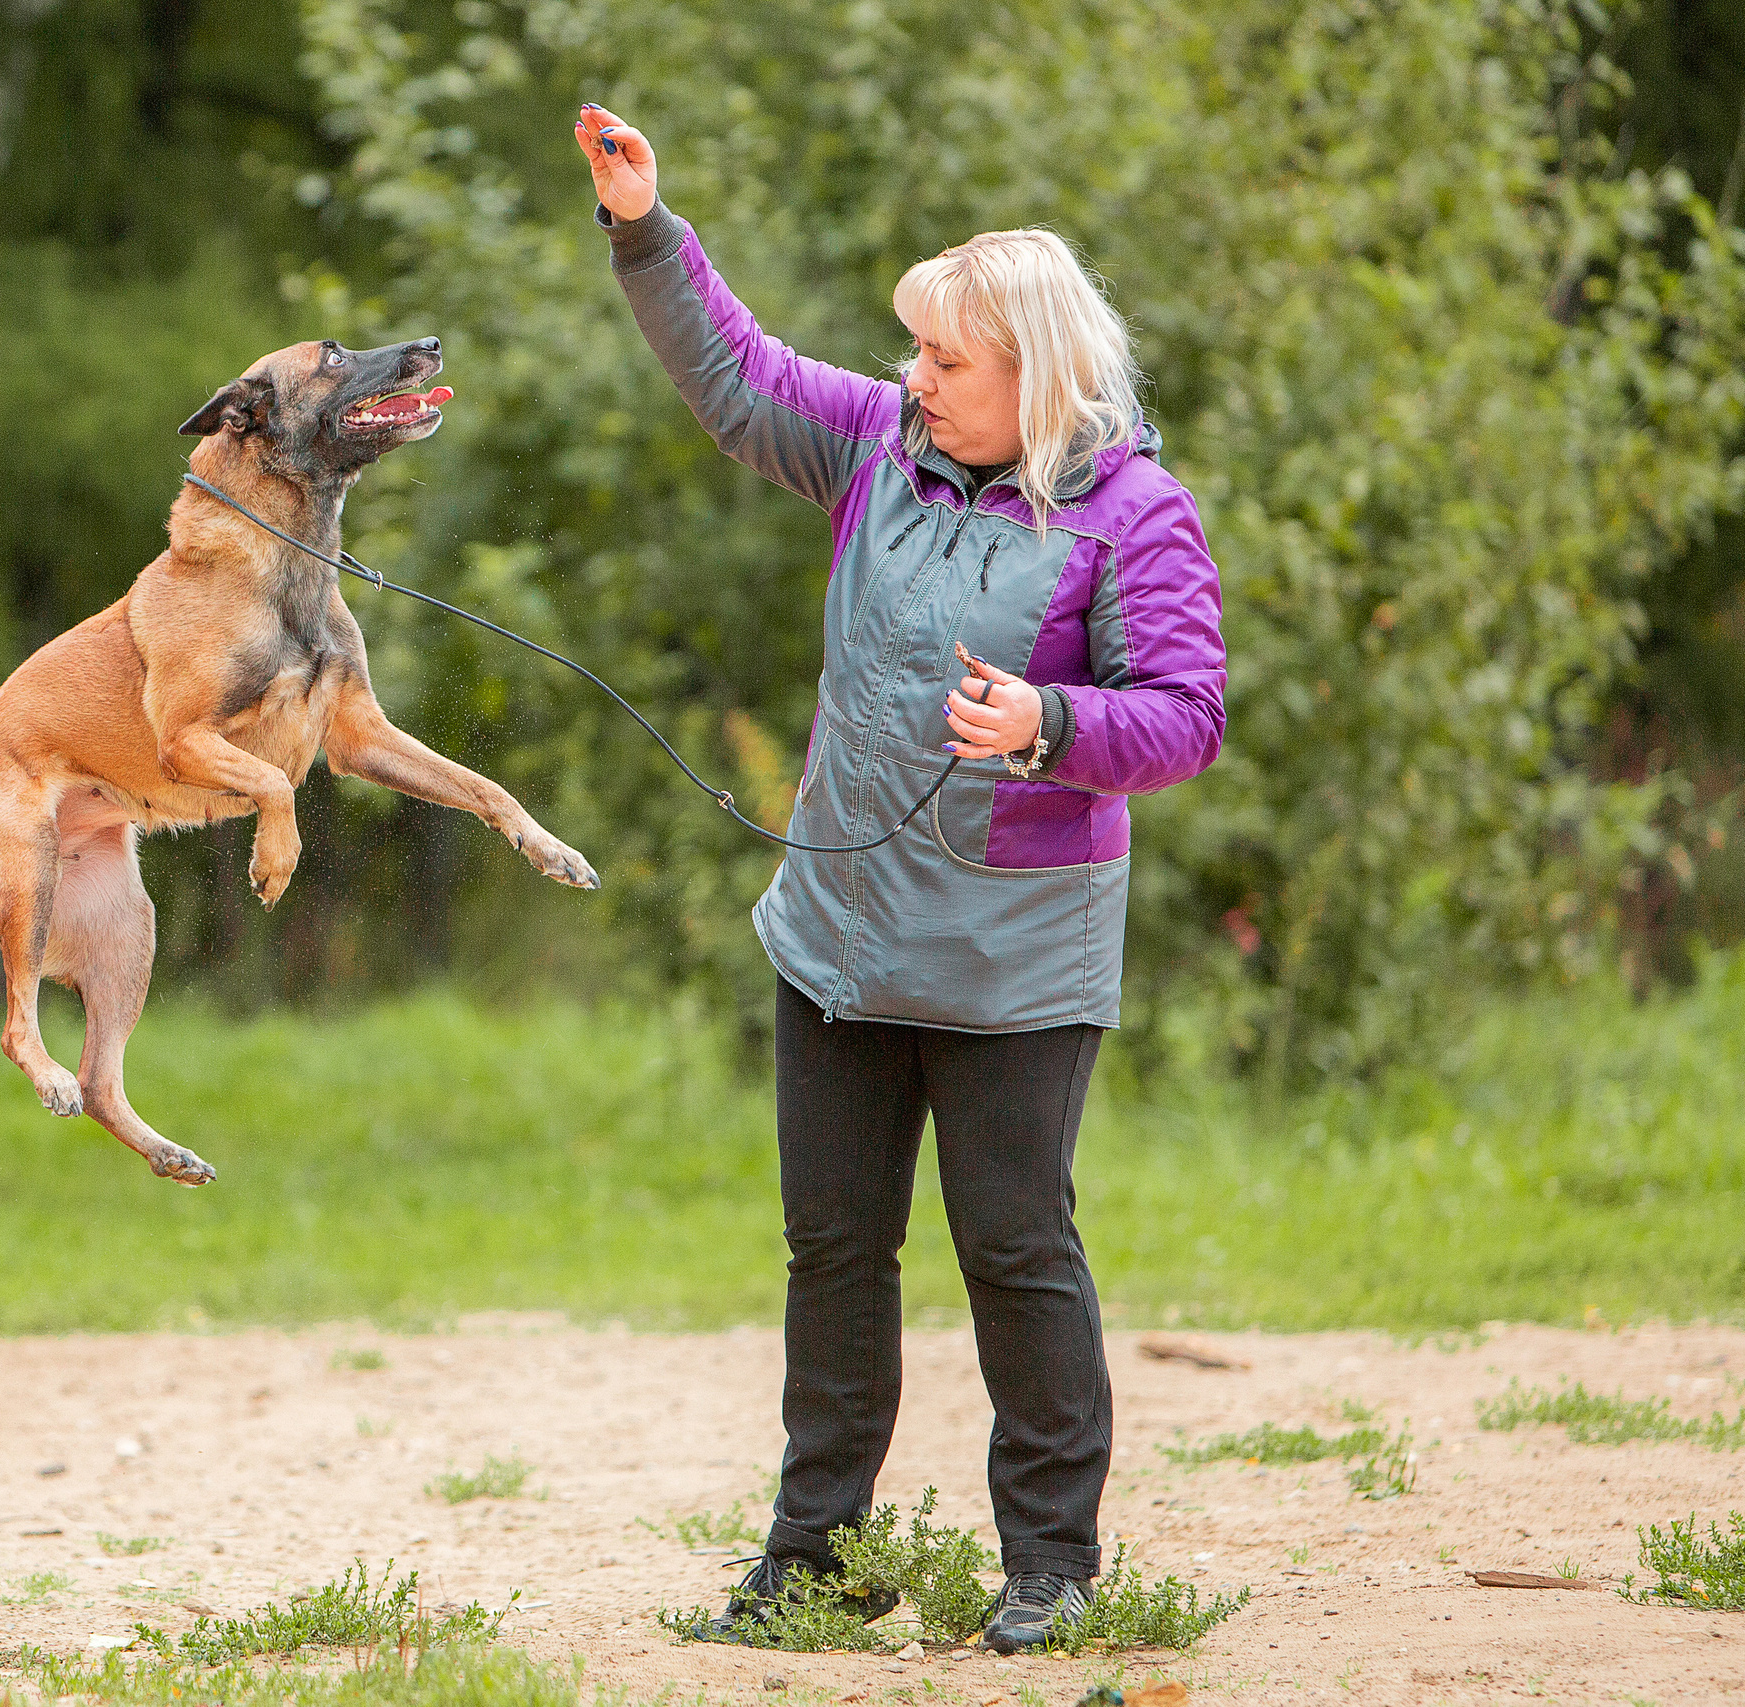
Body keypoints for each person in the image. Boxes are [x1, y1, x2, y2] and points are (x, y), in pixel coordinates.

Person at [573, 105, 1226, 1654]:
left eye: (947, 361)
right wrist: (647, 229)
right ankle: (815, 1561)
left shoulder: (1134, 515)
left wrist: (1053, 721)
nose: (916, 379)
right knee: (833, 1251)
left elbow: (1189, 715)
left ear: (1037, 380)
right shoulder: (879, 443)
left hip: (1015, 967)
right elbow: (738, 380)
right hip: (841, 941)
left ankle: (1052, 1566)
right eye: (914, 355)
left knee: (1014, 1249)